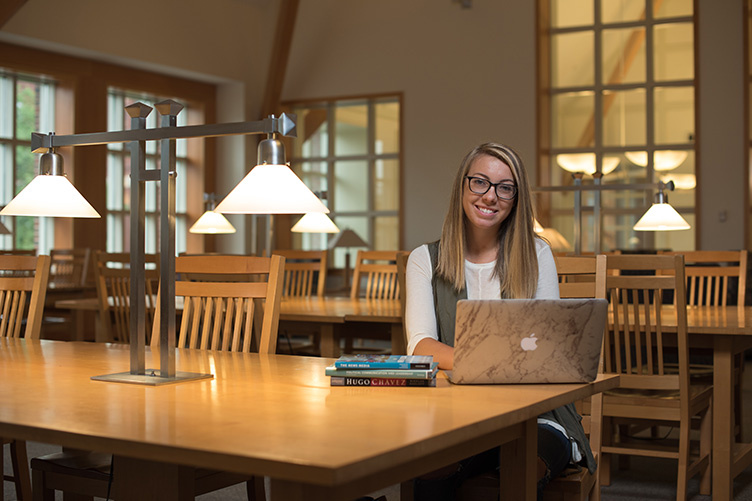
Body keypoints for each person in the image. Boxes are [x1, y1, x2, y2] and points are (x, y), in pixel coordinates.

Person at [405, 142, 595, 500]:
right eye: (480, 182)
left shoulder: (537, 253)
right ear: (463, 186)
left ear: (515, 198)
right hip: (458, 414)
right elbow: (420, 345)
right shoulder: (423, 259)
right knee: (430, 473)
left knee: (521, 470)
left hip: (538, 415)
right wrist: (491, 364)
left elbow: (550, 347)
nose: (490, 196)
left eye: (504, 187)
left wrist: (476, 364)